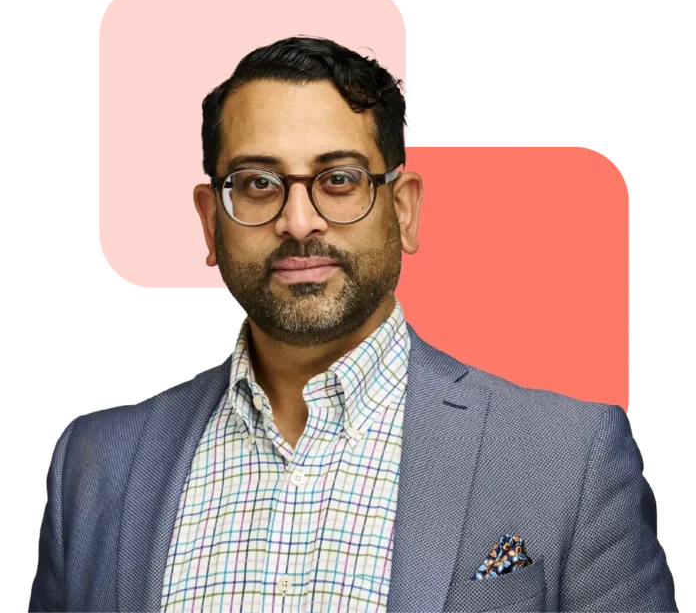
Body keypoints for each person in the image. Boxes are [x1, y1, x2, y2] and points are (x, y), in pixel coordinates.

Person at [30, 35, 678, 612]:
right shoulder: (95, 466)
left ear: (403, 209)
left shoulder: (567, 460)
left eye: (339, 179)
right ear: (210, 219)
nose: (299, 221)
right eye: (258, 184)